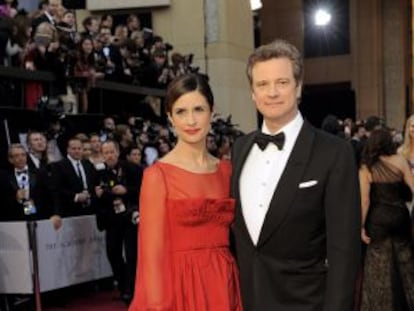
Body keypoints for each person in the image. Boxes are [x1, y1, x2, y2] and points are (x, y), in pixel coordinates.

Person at [230, 39, 361, 311]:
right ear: (252, 92)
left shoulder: (335, 152)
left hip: (308, 303)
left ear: (298, 86)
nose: (272, 92)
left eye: (282, 82)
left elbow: (344, 252)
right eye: (262, 84)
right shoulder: (240, 148)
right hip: (250, 300)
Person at [129, 73, 243, 311]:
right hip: (179, 288)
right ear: (170, 118)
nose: (191, 120)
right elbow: (151, 256)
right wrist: (159, 305)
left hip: (224, 283)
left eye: (198, 109)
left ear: (212, 113)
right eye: (181, 112)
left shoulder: (227, 171)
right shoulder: (157, 176)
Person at [359, 128, 414, 310]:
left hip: (378, 219)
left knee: (377, 265)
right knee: (405, 260)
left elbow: (365, 201)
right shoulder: (400, 161)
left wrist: (360, 227)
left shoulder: (367, 167)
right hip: (400, 217)